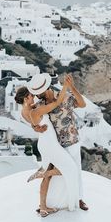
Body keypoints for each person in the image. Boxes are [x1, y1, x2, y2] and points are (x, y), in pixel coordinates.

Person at [15, 75, 80, 217]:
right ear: (26, 99)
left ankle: (43, 206)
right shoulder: (36, 110)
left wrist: (35, 127)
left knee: (50, 176)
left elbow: (34, 123)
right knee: (69, 169)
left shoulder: (25, 111)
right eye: (31, 96)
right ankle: (43, 173)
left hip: (45, 143)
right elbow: (56, 104)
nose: (35, 97)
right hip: (50, 144)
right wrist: (65, 86)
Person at [27, 73, 89, 211]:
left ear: (46, 88)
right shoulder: (40, 104)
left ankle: (78, 199)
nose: (37, 95)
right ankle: (50, 203)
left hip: (72, 140)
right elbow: (35, 118)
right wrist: (34, 126)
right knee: (57, 175)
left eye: (39, 92)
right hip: (55, 146)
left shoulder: (65, 96)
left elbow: (82, 104)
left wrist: (72, 87)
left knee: (76, 170)